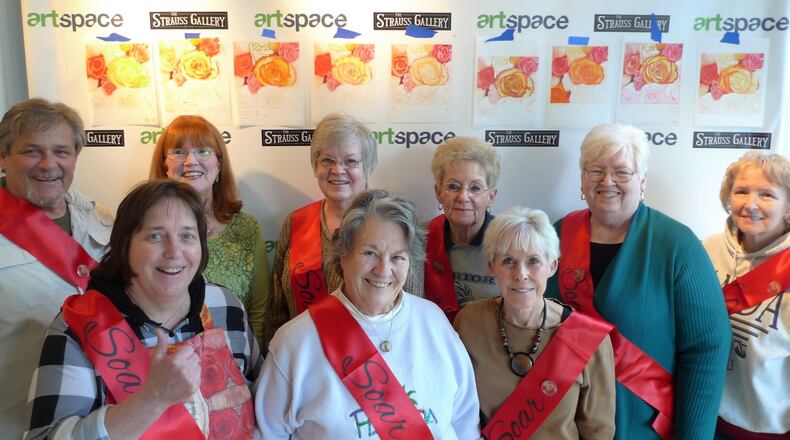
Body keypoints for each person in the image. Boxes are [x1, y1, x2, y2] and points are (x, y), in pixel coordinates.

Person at [26, 179, 262, 439]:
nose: (174, 252)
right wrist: (152, 400)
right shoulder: (80, 326)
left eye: (187, 236)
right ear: (125, 246)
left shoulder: (227, 306)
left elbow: (260, 404)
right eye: (155, 236)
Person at [545, 122, 731, 439]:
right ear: (582, 178)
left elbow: (707, 349)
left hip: (641, 430)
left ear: (641, 180)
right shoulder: (557, 234)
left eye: (621, 172)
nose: (607, 181)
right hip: (566, 426)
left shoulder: (676, 244)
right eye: (595, 170)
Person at [255, 189, 481, 439]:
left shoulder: (434, 322)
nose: (384, 270)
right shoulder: (295, 341)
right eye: (370, 253)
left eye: (397, 257)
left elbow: (465, 424)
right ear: (343, 255)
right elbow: (268, 433)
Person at [0, 98, 113, 439]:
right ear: (3, 156)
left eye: (61, 151)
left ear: (76, 157)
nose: (49, 164)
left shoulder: (103, 218)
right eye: (32, 151)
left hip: (100, 421)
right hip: (16, 423)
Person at [455, 206, 616, 439]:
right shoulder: (469, 323)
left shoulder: (590, 339)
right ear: (492, 267)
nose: (521, 274)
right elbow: (456, 412)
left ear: (552, 266)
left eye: (533, 261)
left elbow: (598, 433)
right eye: (508, 261)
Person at [150, 115, 271, 348]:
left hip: (234, 366)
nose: (190, 161)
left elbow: (259, 310)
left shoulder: (247, 229)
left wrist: (249, 364)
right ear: (164, 166)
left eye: (203, 151)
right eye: (178, 152)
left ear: (219, 164)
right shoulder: (144, 230)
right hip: (162, 362)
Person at [265, 112, 378, 350]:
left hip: (368, 371)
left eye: (351, 161)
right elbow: (277, 310)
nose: (338, 170)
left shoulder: (386, 227)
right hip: (301, 359)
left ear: (368, 168)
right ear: (315, 167)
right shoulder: (295, 223)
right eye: (327, 160)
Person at [703, 152, 790, 439]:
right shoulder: (708, 249)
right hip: (708, 416)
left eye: (767, 194)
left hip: (767, 429)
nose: (751, 204)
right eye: (742, 191)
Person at [421, 136, 500, 321]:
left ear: (492, 196)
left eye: (475, 187)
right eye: (453, 186)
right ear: (438, 193)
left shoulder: (508, 242)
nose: (463, 197)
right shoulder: (419, 239)